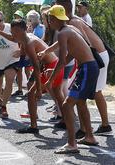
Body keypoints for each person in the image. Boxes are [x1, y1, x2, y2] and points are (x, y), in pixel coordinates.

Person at [52, 0, 112, 136]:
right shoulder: (70, 23)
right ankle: (92, 128)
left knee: (90, 92)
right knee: (84, 93)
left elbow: (85, 44)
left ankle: (96, 128)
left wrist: (68, 63)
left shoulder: (73, 22)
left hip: (96, 58)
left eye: (55, 5)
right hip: (94, 58)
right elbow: (64, 42)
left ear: (62, 8)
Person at [0, 19, 65, 133]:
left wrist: (38, 89)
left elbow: (36, 67)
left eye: (17, 32)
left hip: (51, 67)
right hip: (52, 65)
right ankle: (65, 121)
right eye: (13, 31)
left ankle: (34, 126)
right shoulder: (22, 38)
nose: (15, 34)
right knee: (57, 94)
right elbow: (12, 38)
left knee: (32, 94)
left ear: (24, 30)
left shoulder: (29, 43)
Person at [46, 5, 98, 154]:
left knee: (67, 105)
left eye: (50, 18)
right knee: (80, 102)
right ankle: (89, 136)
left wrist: (50, 79)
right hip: (88, 67)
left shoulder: (63, 33)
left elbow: (62, 61)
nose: (49, 21)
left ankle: (71, 144)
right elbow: (72, 54)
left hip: (87, 68)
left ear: (52, 19)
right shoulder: (68, 29)